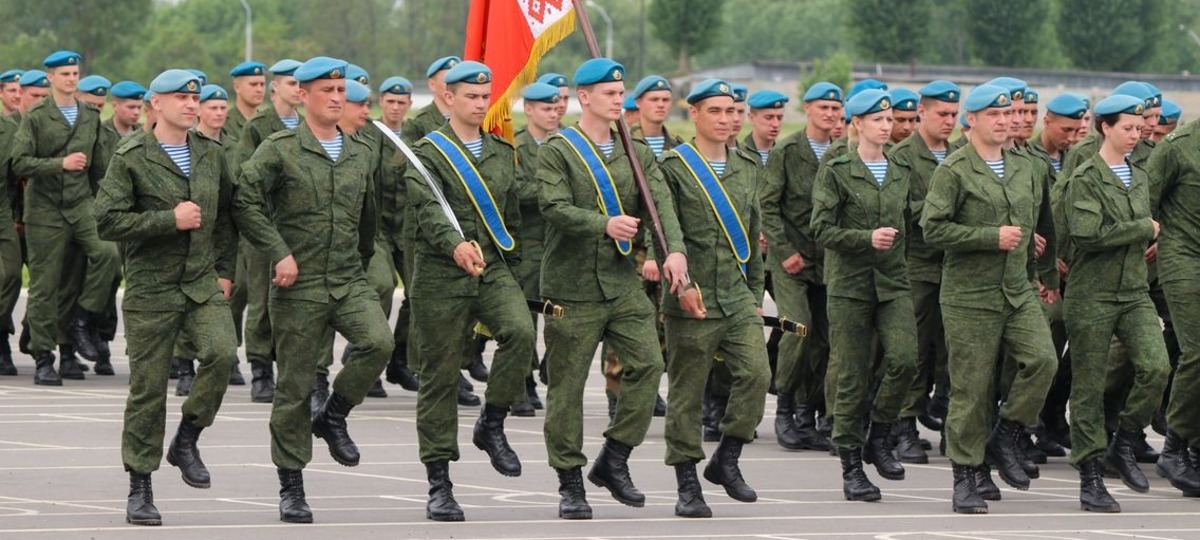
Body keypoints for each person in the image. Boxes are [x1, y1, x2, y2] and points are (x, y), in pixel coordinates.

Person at [233, 56, 393, 523]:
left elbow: (369, 218)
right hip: (298, 285)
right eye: (327, 90)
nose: (337, 98)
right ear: (303, 96)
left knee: (379, 342)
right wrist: (278, 251)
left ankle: (334, 414)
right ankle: (292, 485)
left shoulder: (361, 151)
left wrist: (361, 263)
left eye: (341, 90)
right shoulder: (279, 149)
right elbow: (244, 201)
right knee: (295, 388)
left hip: (347, 278)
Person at [537, 57, 688, 520]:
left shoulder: (635, 150)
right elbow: (553, 206)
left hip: (621, 284)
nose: (618, 99)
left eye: (621, 92)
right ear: (584, 97)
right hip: (572, 287)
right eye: (609, 92)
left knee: (649, 363)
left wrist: (674, 252)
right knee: (567, 388)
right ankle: (569, 482)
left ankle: (614, 458)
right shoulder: (560, 149)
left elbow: (660, 204)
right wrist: (603, 224)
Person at [95, 69, 239, 526]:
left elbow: (228, 215)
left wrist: (225, 270)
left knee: (222, 353)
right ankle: (140, 486)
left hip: (200, 282)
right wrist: (167, 220)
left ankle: (188, 437)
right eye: (181, 97)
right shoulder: (132, 156)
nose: (191, 104)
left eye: (195, 97)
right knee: (149, 390)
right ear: (156, 104)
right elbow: (107, 220)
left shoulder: (211, 154)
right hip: (151, 289)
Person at [403, 61, 536, 521]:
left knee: (520, 332)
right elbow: (427, 209)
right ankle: (439, 483)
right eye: (471, 97)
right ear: (449, 98)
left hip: (492, 269)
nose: (480, 104)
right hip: (441, 274)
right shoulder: (427, 152)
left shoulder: (501, 151)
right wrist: (455, 245)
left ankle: (491, 423)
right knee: (439, 379)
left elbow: (511, 217)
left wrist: (514, 271)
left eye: (485, 97)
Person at [921, 84, 1058, 514]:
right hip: (969, 295)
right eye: (994, 115)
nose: (1005, 121)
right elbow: (932, 228)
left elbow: (1043, 223)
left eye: (1009, 114)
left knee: (1043, 361)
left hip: (1017, 288)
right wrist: (988, 237)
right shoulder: (955, 169)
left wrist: (1044, 275)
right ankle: (965, 476)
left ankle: (1007, 433)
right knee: (971, 389)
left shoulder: (1026, 166)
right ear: (972, 120)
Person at [655, 79, 768, 518]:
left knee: (757, 374)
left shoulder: (747, 166)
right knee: (687, 394)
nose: (726, 119)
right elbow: (665, 232)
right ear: (695, 114)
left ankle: (727, 458)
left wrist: (755, 293)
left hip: (736, 295)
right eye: (716, 111)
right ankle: (687, 484)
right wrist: (679, 286)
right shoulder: (674, 167)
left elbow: (753, 238)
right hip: (692, 294)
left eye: (732, 111)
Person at [1058, 94, 1169, 513]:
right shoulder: (1085, 177)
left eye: (1140, 128)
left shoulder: (1138, 175)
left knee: (1157, 367)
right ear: (1105, 128)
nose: (1136, 135)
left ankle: (1124, 440)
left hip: (1133, 291)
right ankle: (1090, 475)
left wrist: (1151, 234)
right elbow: (1088, 234)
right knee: (1088, 387)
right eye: (1128, 128)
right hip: (1092, 293)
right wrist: (1143, 229)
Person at [811, 89, 918, 501]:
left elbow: (912, 221)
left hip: (892, 282)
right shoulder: (837, 169)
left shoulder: (900, 168)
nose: (887, 127)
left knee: (905, 360)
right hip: (850, 286)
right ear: (857, 124)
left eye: (889, 120)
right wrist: (865, 238)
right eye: (878, 120)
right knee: (852, 377)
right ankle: (851, 465)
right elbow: (821, 229)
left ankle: (881, 434)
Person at [11, 50, 119, 385]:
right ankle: (44, 356)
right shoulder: (38, 115)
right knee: (45, 287)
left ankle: (81, 320)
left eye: (74, 73)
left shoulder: (89, 115)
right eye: (65, 74)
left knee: (107, 255)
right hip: (44, 209)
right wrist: (60, 163)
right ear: (51, 78)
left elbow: (98, 167)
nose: (71, 79)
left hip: (81, 204)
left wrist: (103, 205)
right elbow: (20, 162)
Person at [761, 82, 843, 452]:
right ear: (807, 109)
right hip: (791, 261)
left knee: (825, 340)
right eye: (823, 107)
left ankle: (807, 415)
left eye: (835, 108)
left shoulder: (843, 151)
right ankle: (784, 408)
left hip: (830, 261)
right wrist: (783, 250)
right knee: (798, 328)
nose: (830, 114)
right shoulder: (788, 150)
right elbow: (767, 204)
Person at [887, 80, 962, 463]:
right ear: (922, 112)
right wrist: (942, 209)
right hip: (917, 266)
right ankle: (904, 426)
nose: (949, 121)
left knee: (956, 351)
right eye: (942, 113)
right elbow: (898, 208)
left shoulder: (962, 154)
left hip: (957, 266)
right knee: (913, 350)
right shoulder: (901, 156)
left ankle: (953, 425)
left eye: (954, 114)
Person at [235, 58, 304, 404]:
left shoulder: (308, 125)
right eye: (291, 83)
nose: (298, 89)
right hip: (264, 226)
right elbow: (244, 175)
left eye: (301, 83)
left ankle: (292, 369)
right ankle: (261, 369)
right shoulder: (258, 126)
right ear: (275, 87)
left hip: (298, 227)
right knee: (261, 300)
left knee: (295, 303)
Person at [1146, 91, 1200, 499]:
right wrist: (1150, 234)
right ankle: (1175, 446)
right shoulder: (1177, 149)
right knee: (1197, 350)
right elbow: (1143, 202)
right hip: (1183, 258)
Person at [511, 82, 563, 416]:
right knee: (525, 319)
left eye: (556, 108)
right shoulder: (516, 147)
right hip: (528, 245)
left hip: (560, 246)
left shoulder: (566, 145)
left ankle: (547, 367)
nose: (553, 114)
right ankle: (520, 384)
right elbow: (515, 189)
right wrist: (556, 196)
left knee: (562, 317)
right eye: (546, 108)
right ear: (529, 109)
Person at [374, 75, 421, 393]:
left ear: (409, 104)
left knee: (418, 292)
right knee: (383, 285)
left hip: (406, 227)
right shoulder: (370, 133)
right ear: (381, 102)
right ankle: (368, 360)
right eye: (390, 101)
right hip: (377, 228)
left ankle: (400, 359)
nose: (395, 107)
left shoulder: (415, 137)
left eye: (401, 102)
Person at [630, 75, 682, 157]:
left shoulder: (678, 145)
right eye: (654, 99)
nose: (661, 105)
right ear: (638, 103)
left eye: (665, 100)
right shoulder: (627, 142)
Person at [740, 90, 788, 165]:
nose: (775, 124)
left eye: (779, 118)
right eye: (768, 118)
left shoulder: (787, 157)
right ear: (751, 118)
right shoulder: (738, 155)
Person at [226, 60, 267, 142]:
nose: (259, 89)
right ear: (237, 87)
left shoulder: (267, 122)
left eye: (262, 84)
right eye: (253, 84)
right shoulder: (224, 123)